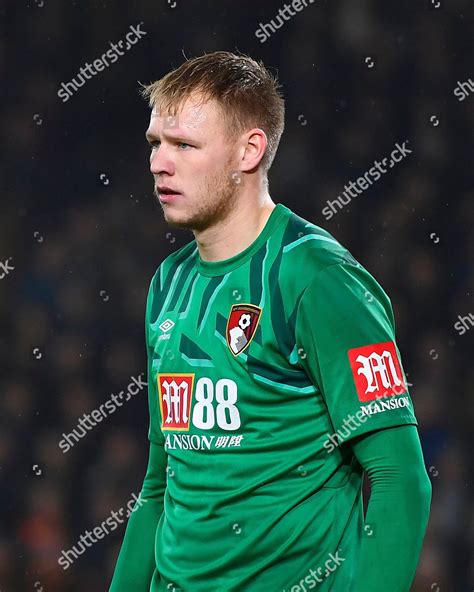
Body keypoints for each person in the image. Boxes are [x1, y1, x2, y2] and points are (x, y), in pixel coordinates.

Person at [109, 50, 431, 592]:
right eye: (156, 144)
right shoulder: (168, 283)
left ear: (249, 151)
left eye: (184, 145)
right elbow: (160, 488)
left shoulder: (317, 278)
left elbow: (400, 479)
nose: (159, 163)